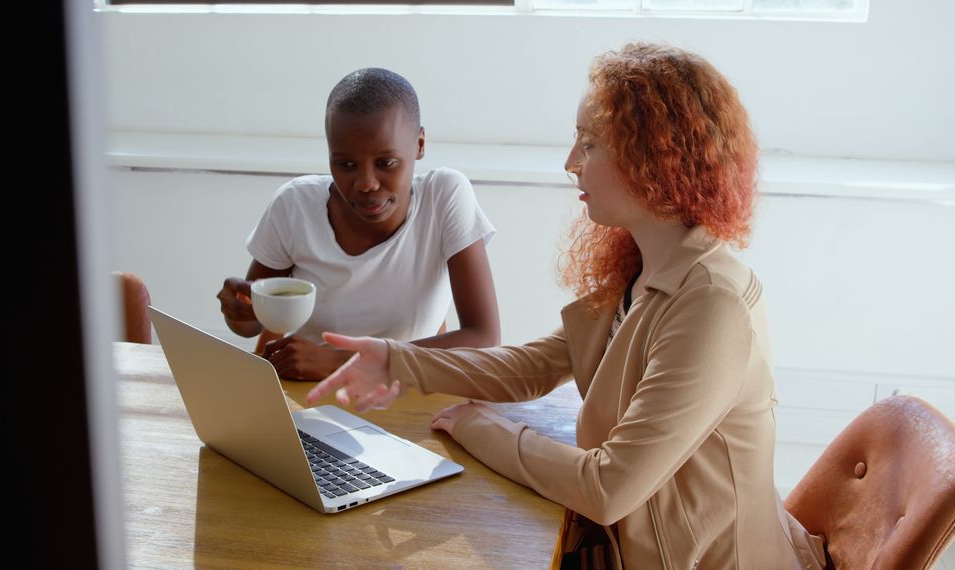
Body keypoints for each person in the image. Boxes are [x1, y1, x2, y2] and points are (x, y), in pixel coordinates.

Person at [306, 44, 826, 569]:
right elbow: (530, 367)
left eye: (590, 143)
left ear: (655, 158)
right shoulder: (645, 269)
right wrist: (393, 359)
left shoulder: (713, 304)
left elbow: (608, 487)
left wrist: (481, 429)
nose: (570, 162)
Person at [217, 68, 500, 382]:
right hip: (311, 395)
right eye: (346, 165)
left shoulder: (444, 196)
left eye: (386, 163)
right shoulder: (295, 205)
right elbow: (251, 324)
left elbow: (483, 339)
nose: (365, 183)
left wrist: (341, 362)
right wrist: (240, 311)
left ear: (419, 145)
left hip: (405, 392)